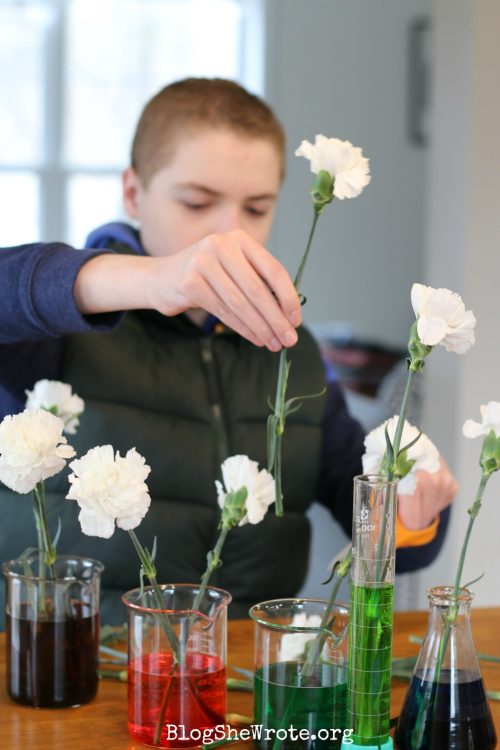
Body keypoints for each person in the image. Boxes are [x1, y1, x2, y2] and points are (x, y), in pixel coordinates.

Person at [0, 78, 456, 623]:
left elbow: (383, 527)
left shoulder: (291, 352)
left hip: (243, 684)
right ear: (132, 193)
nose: (229, 231)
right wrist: (147, 281)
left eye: (257, 207)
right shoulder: (57, 329)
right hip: (74, 676)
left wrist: (411, 508)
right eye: (197, 201)